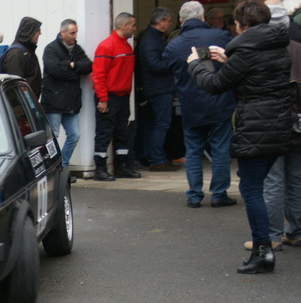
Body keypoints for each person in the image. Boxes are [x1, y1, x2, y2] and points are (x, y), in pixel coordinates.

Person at [188, 0, 291, 273]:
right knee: (258, 184)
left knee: (251, 189)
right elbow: (255, 77)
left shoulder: (246, 52)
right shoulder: (278, 46)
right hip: (279, 123)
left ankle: (263, 251)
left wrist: (196, 65)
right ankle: (264, 248)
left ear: (241, 25)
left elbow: (214, 85)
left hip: (256, 125)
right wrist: (228, 60)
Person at [241, 0, 301, 250]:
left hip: (273, 124)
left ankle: (273, 235)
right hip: (300, 123)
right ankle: (296, 230)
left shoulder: (261, 51)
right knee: (295, 177)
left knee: (273, 180)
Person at [164, 1, 237, 209]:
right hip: (219, 102)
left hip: (190, 105)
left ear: (180, 21)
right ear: (203, 17)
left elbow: (168, 67)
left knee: (193, 151)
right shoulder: (220, 36)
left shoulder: (174, 45)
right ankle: (219, 194)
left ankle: (194, 195)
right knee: (220, 149)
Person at [91, 12, 141, 181]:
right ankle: (100, 168)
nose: (135, 28)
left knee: (122, 132)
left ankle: (123, 166)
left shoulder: (126, 46)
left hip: (122, 97)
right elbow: (98, 75)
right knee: (104, 133)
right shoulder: (107, 46)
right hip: (109, 97)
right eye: (133, 25)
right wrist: (103, 99)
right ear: (123, 26)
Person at [40, 19, 92, 170]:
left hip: (71, 102)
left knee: (74, 135)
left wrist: (71, 65)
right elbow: (54, 69)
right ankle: (53, 167)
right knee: (53, 136)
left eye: (76, 32)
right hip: (54, 101)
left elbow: (88, 66)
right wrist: (76, 74)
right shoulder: (51, 49)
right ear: (62, 32)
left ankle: (62, 165)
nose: (74, 36)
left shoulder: (77, 49)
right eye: (72, 33)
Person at [136, 7, 177, 171]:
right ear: (160, 22)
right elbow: (154, 65)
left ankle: (153, 156)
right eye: (168, 20)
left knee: (155, 124)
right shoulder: (151, 40)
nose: (170, 24)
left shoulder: (153, 38)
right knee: (161, 124)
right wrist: (173, 62)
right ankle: (157, 159)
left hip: (158, 88)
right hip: (159, 89)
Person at [0, 17, 44, 98]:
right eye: (38, 31)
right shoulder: (16, 53)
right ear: (29, 32)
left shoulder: (27, 51)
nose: (40, 33)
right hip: (21, 104)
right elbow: (15, 85)